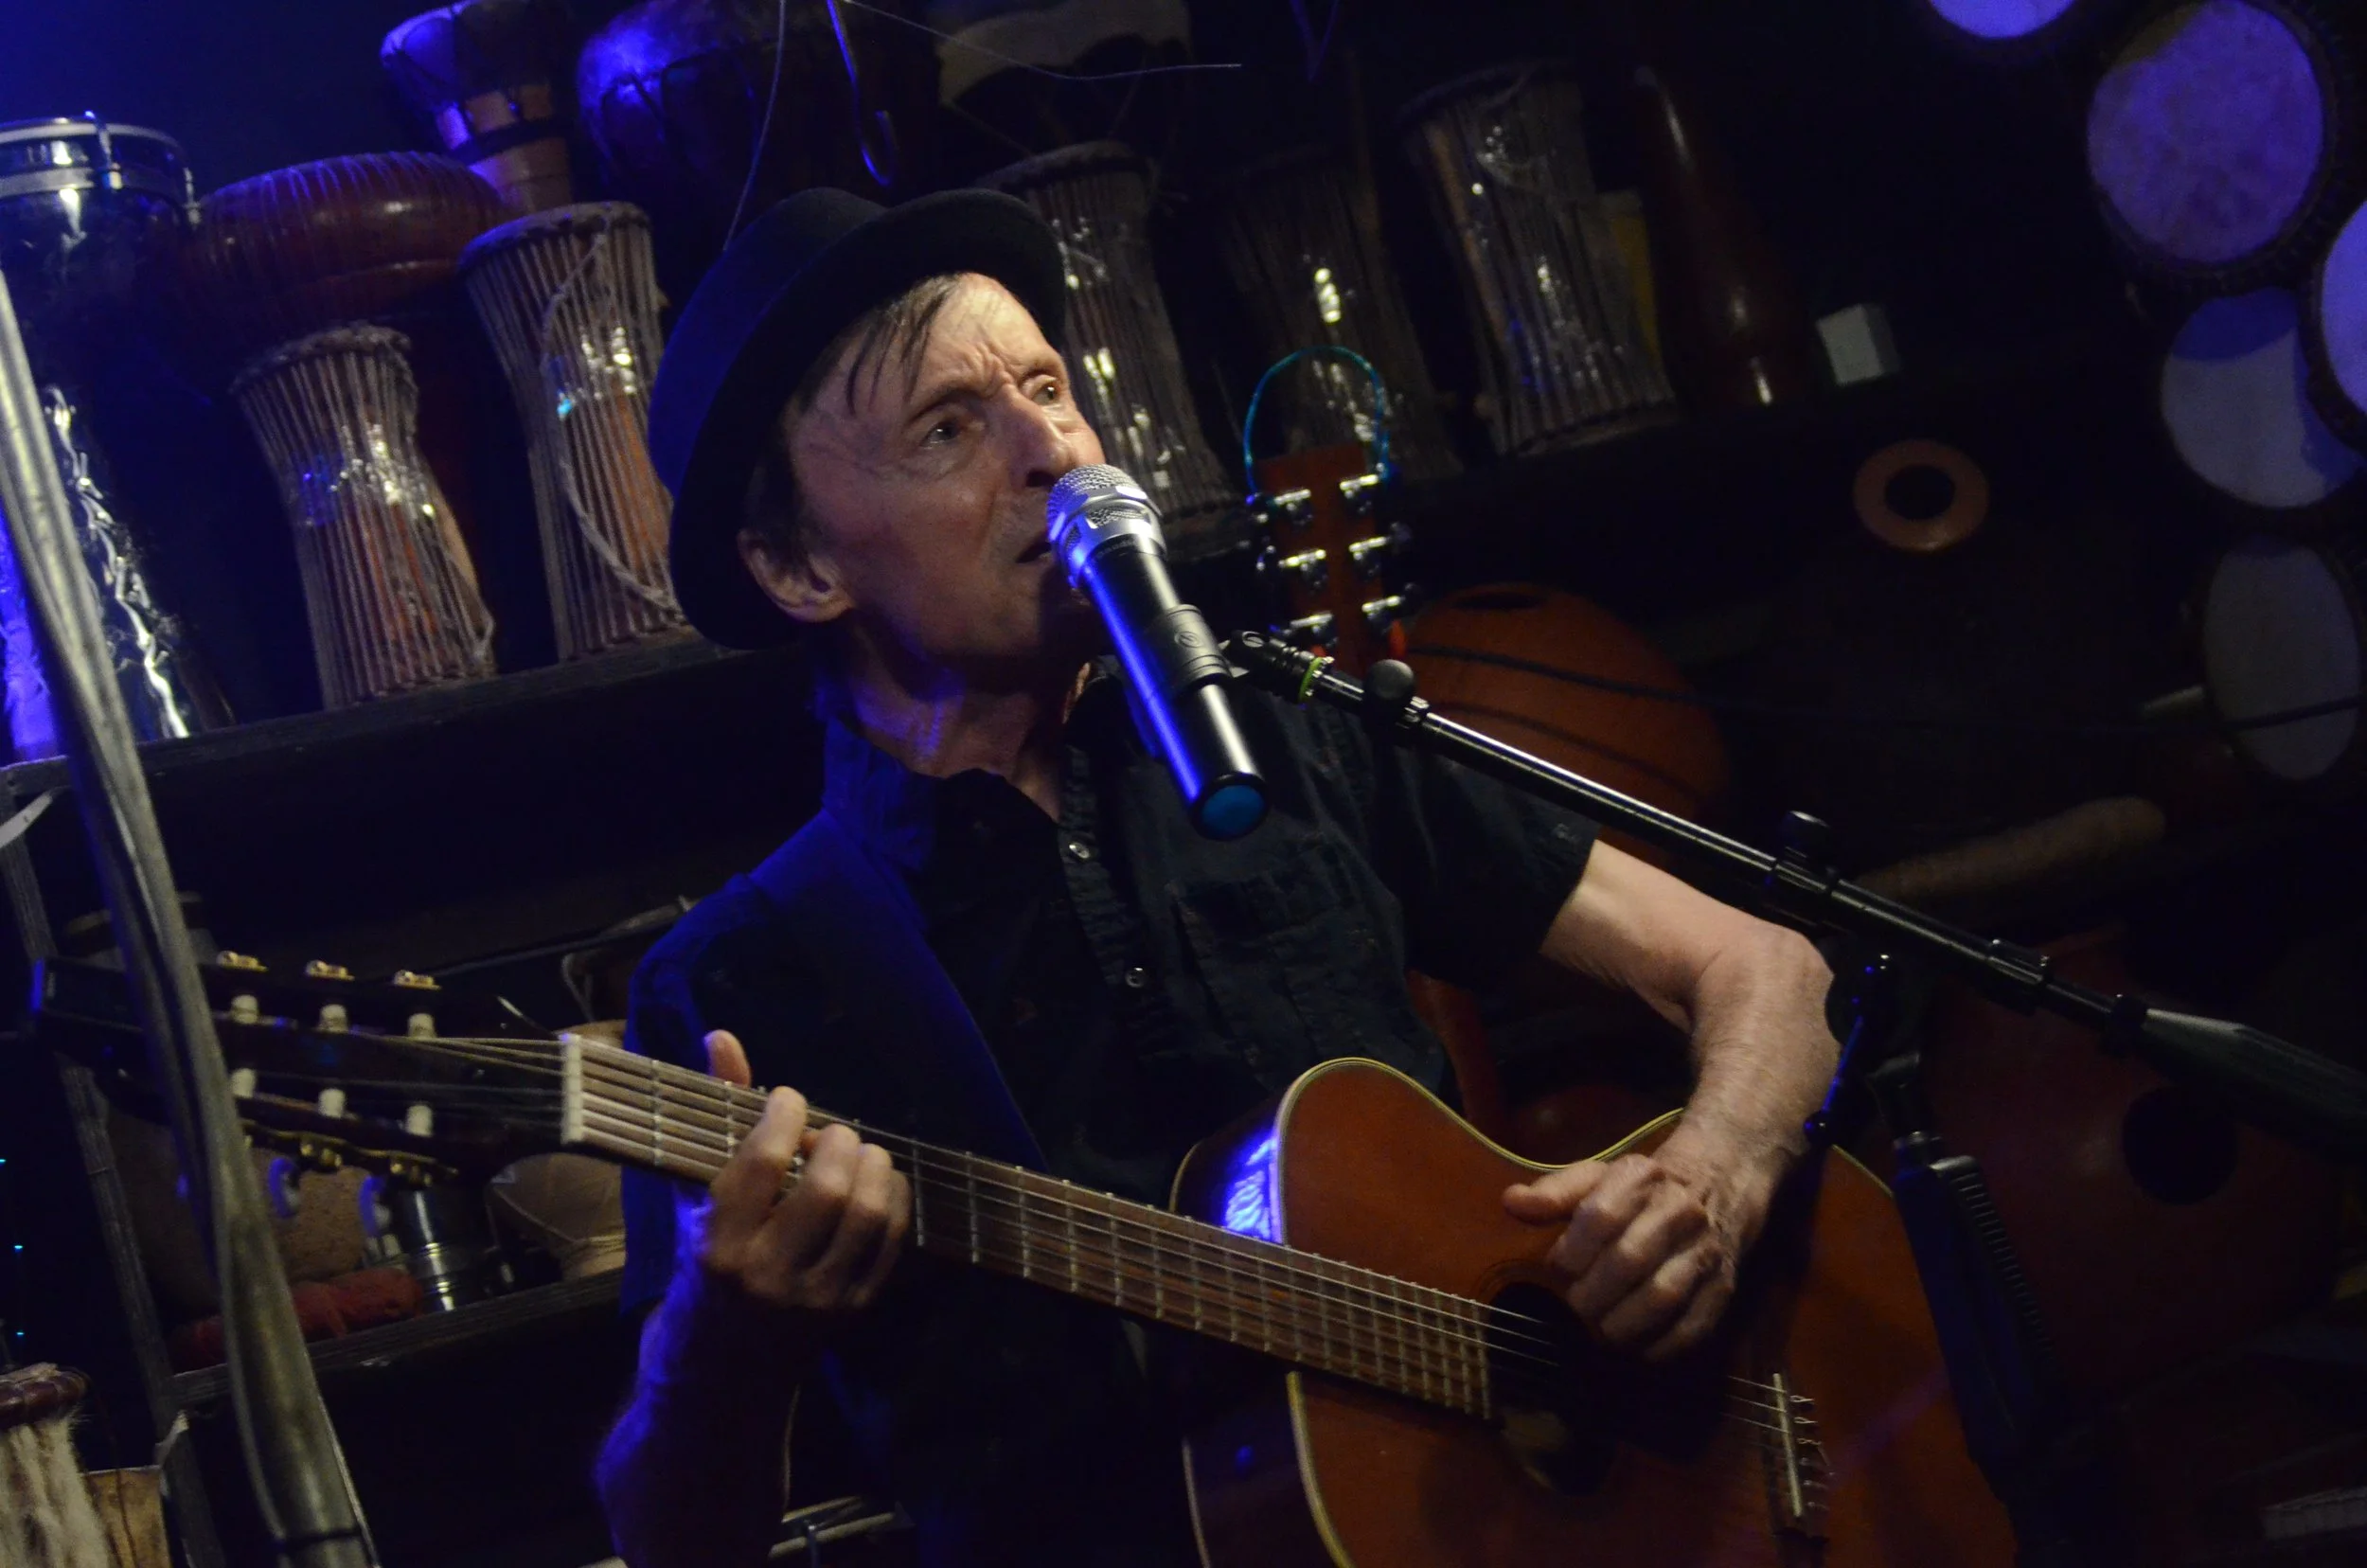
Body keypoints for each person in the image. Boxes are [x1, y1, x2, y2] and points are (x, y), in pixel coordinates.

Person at [596, 187, 1841, 1568]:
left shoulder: (1293, 737)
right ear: (798, 565)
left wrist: (1713, 1182)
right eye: (948, 430)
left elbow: (1768, 970)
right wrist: (724, 1340)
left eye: (1047, 391)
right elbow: (671, 1544)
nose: (1052, 453)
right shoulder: (740, 978)